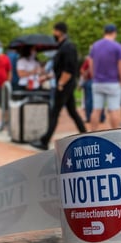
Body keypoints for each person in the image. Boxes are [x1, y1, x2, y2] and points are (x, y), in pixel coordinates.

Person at [30, 22, 86, 150]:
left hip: (64, 85)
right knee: (72, 112)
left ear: (60, 32)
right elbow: (60, 68)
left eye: (54, 31)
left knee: (55, 112)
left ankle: (45, 141)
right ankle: (85, 135)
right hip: (65, 84)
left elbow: (69, 69)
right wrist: (48, 77)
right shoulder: (62, 47)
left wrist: (61, 83)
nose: (53, 33)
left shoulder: (68, 47)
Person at [89, 24, 121, 131]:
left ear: (104, 32)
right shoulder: (117, 47)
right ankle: (115, 135)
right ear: (114, 33)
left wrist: (94, 76)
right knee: (114, 110)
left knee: (96, 110)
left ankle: (93, 133)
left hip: (97, 82)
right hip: (113, 82)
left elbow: (91, 62)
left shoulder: (95, 46)